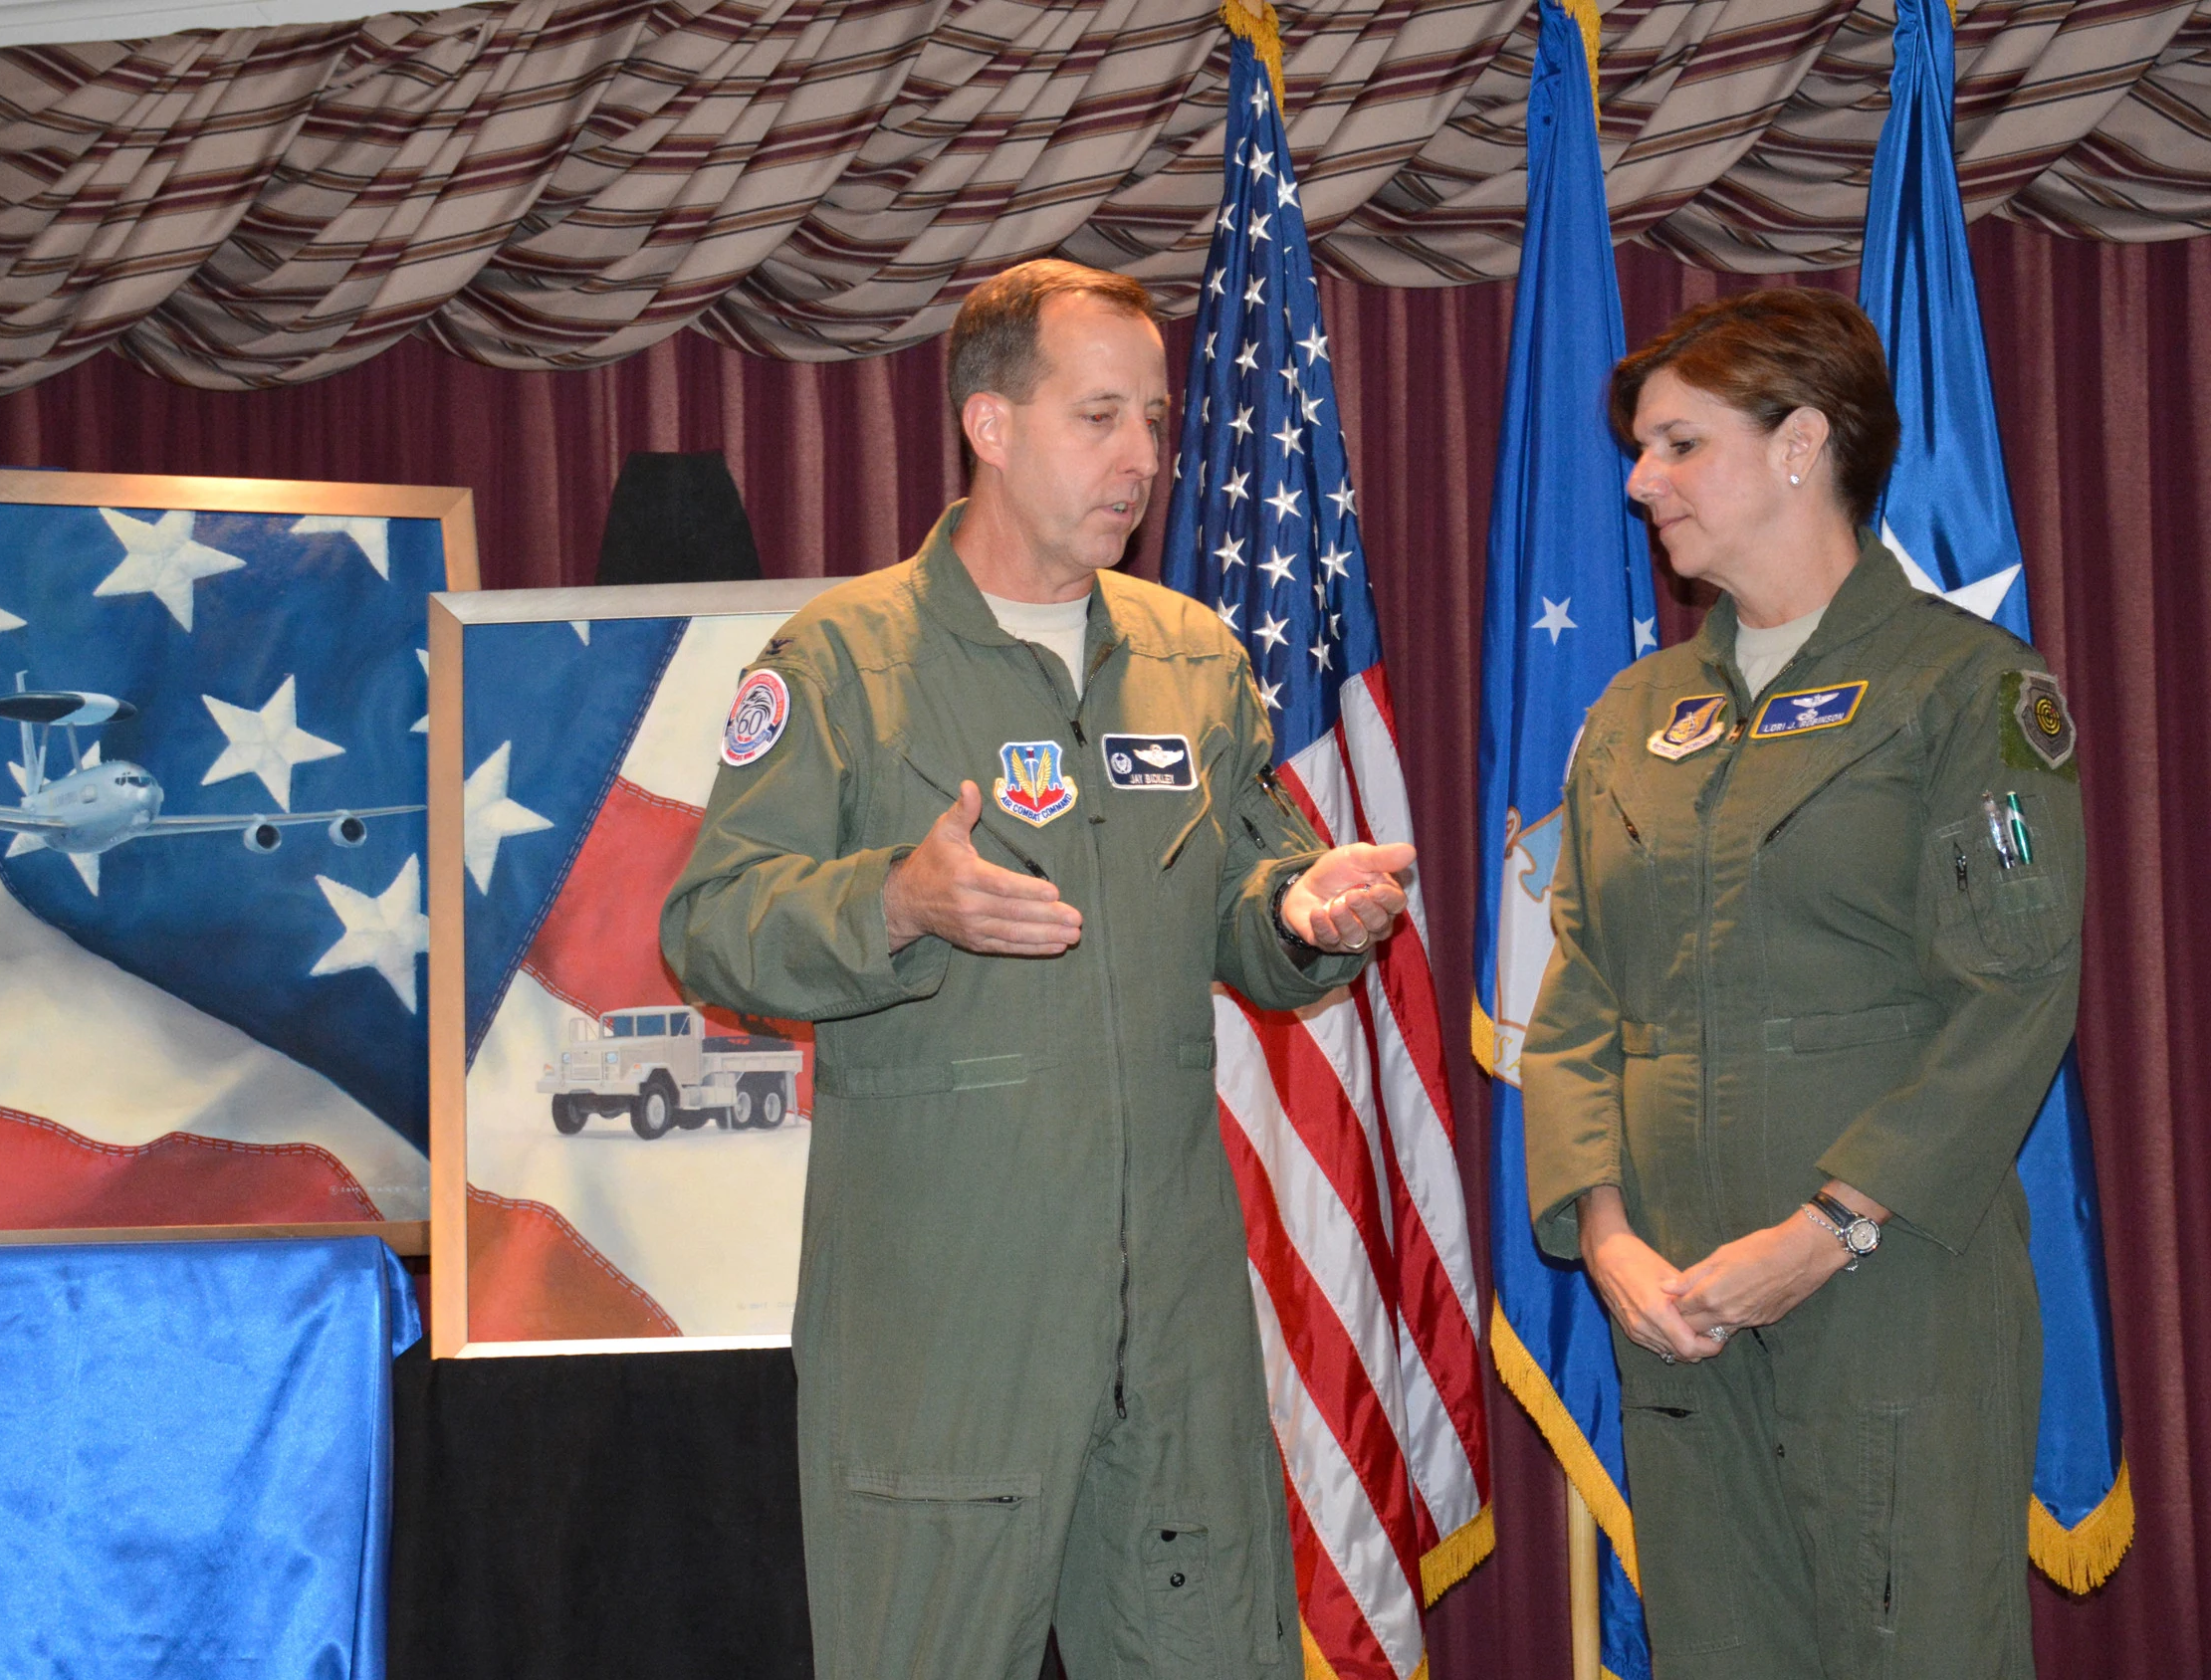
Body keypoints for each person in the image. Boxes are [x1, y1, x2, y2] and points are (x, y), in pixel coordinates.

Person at [660, 259, 1416, 1680]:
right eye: (1097, 416)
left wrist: (1305, 912)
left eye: (1154, 418)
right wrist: (895, 899)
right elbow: (711, 922)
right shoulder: (844, 661)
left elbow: (1245, 894)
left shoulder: (1192, 657)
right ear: (990, 426)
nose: (1140, 457)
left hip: (1171, 1315)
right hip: (951, 1318)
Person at [1524, 288, 2082, 1679]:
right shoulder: (1635, 716)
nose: (1642, 482)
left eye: (1678, 444)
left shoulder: (1966, 692)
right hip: (1681, 1317)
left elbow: (2011, 1000)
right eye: (1642, 451)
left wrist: (1830, 1230)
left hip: (1893, 1304)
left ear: (1800, 446)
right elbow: (1580, 997)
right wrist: (1604, 1236)